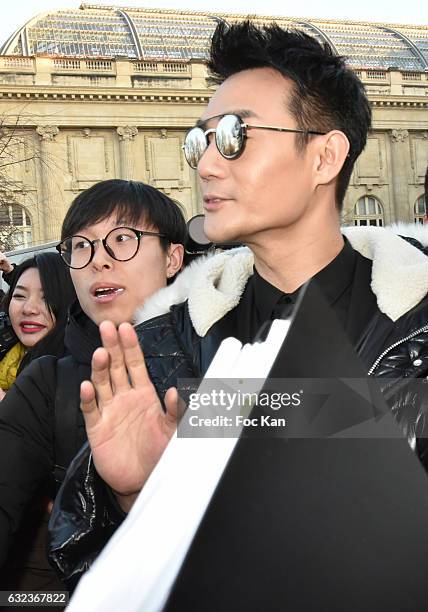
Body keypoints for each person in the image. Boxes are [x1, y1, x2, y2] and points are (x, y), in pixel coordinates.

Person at [49, 21, 428, 596]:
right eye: (201, 141)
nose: (205, 165)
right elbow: (71, 561)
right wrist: (140, 495)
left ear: (325, 157)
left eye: (235, 136)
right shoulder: (166, 343)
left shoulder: (416, 328)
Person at [0, 178, 186, 592]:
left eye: (122, 239)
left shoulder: (230, 359)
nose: (98, 260)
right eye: (81, 246)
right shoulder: (47, 383)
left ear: (172, 258)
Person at [0, 253, 75, 400]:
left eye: (47, 298)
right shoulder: (9, 338)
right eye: (19, 296)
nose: (28, 309)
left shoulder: (76, 371)